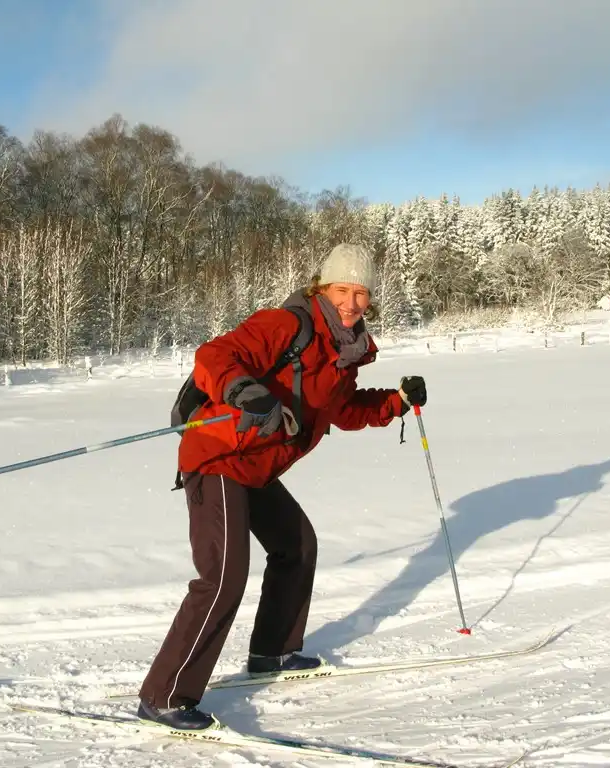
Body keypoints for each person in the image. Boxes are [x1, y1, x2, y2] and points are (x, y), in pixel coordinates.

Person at [136, 243, 428, 730]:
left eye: (360, 293)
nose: (351, 302)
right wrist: (241, 390)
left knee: (297, 545)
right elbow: (216, 355)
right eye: (341, 290)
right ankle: (164, 695)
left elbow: (344, 410)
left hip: (256, 467)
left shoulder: (342, 351)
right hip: (219, 456)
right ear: (322, 288)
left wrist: (396, 401)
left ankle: (273, 653)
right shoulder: (288, 325)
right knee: (223, 575)